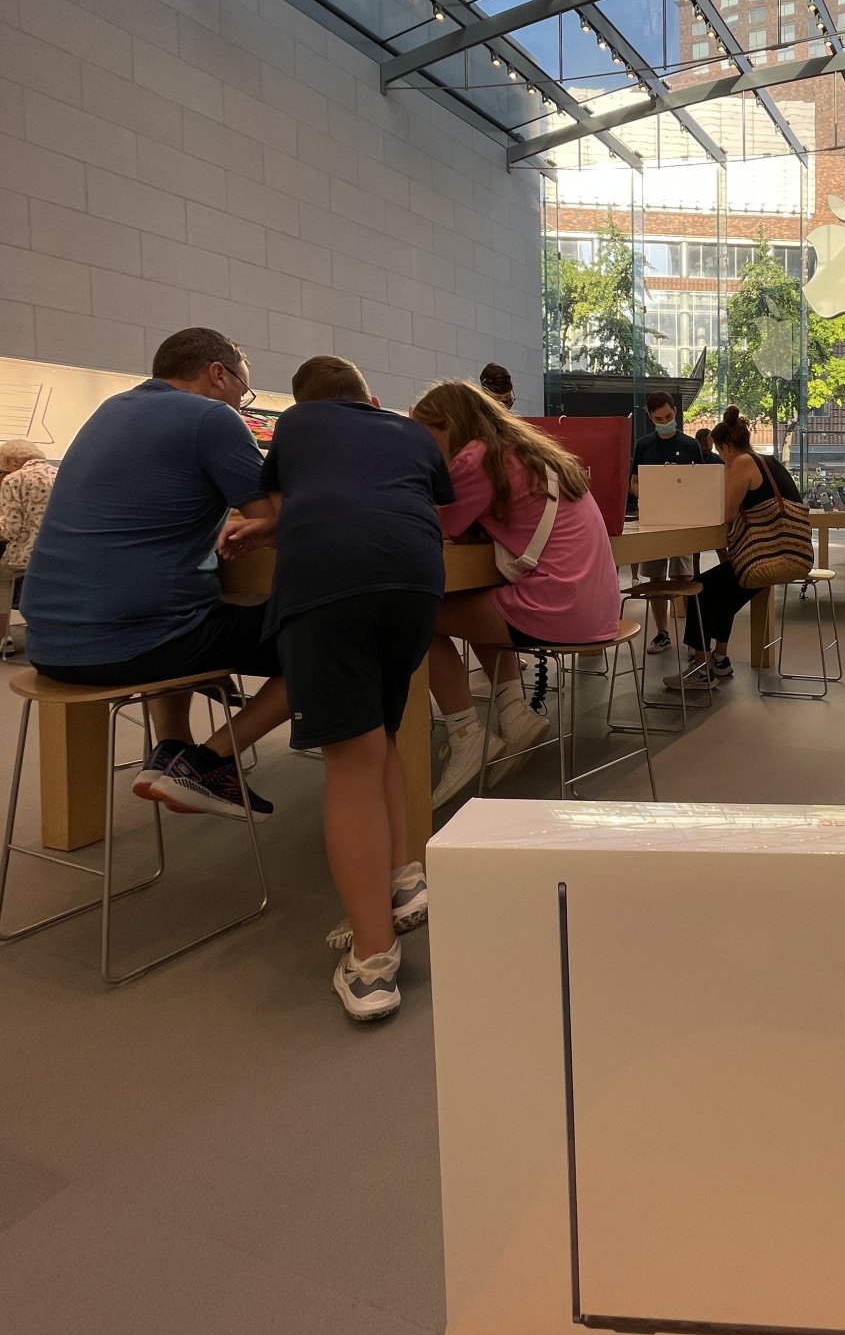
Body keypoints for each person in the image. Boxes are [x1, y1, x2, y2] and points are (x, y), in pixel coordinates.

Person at [219, 356, 453, 1023]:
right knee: (379, 735)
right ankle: (402, 878)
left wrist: (266, 526)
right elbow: (405, 500)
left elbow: (292, 505)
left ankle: (373, 964)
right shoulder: (407, 431)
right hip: (416, 585)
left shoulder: (294, 427)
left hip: (330, 583)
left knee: (350, 761)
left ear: (303, 403)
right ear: (371, 400)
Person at [20, 328, 287, 818]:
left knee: (193, 604)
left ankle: (173, 749)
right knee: (336, 636)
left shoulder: (110, 410)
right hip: (130, 645)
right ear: (218, 373)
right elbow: (272, 517)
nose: (241, 402)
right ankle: (210, 764)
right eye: (243, 389)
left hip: (48, 643)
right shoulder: (212, 417)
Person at [409, 381, 620, 805]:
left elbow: (436, 524)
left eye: (425, 434)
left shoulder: (475, 458)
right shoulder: (531, 452)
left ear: (447, 425)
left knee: (415, 616)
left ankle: (466, 735)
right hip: (595, 607)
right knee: (480, 600)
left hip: (558, 606)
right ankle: (513, 713)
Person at [667, 406, 805, 687]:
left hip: (763, 557)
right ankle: (720, 658)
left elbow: (727, 513)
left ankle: (701, 669)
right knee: (724, 592)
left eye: (720, 453)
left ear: (726, 447)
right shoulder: (771, 462)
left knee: (700, 589)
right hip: (792, 553)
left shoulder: (742, 463)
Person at [630, 390, 700, 652]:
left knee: (684, 577)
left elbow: (700, 482)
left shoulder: (691, 445)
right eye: (659, 418)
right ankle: (662, 632)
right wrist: (648, 496)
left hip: (683, 520)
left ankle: (693, 638)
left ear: (675, 412)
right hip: (653, 519)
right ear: (650, 417)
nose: (665, 421)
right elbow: (634, 481)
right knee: (655, 579)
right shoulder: (644, 445)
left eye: (668, 416)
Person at [0, 439, 57, 656]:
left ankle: (3, 639)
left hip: (25, 555)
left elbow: (11, 529)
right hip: (58, 553)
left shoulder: (15, 479)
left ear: (13, 461)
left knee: (2, 579)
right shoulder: (60, 475)